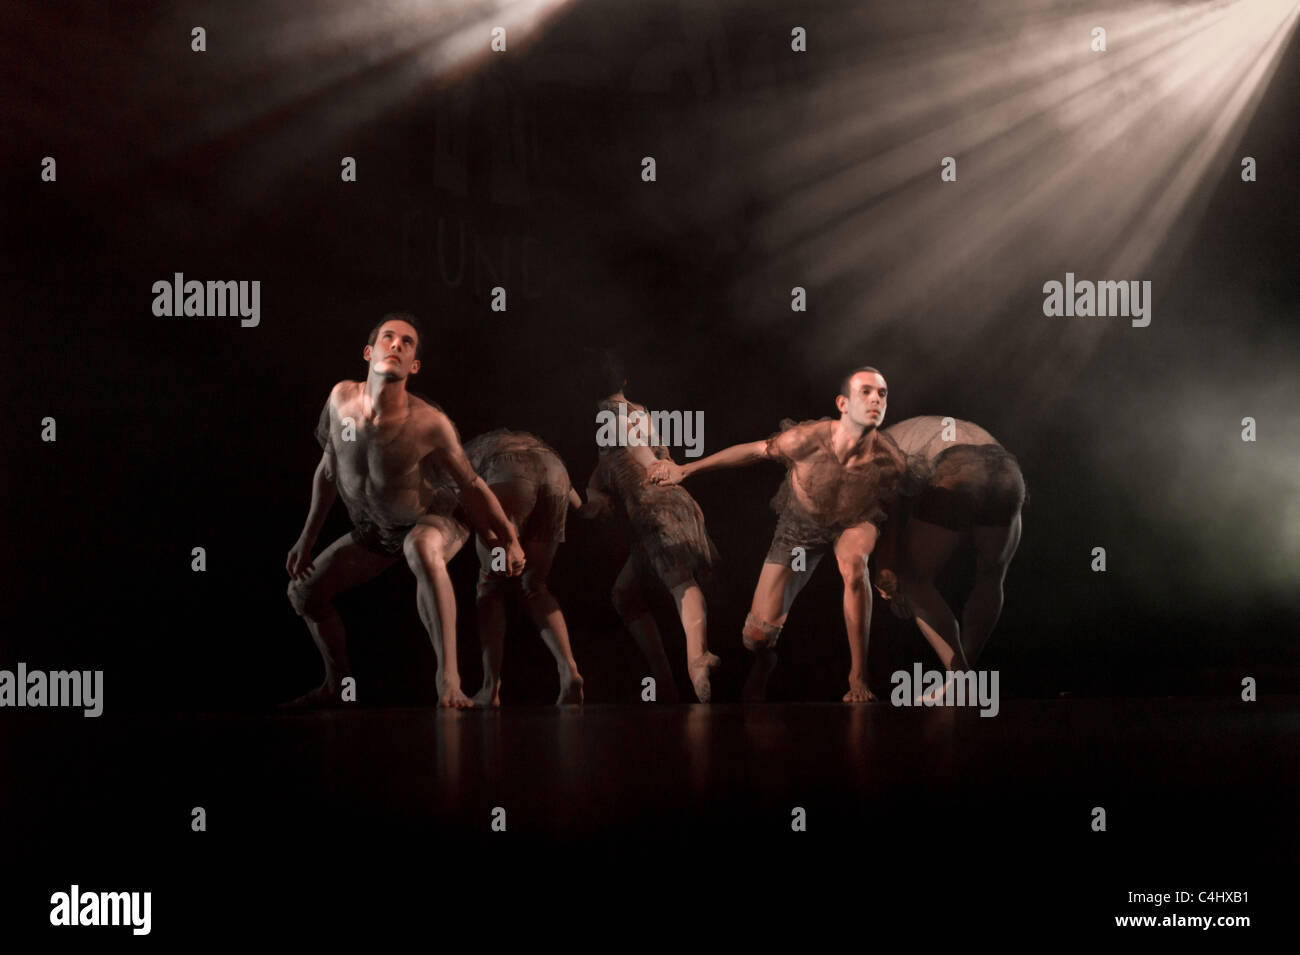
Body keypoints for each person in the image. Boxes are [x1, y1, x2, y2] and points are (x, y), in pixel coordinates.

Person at [285, 313, 525, 709]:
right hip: (376, 532)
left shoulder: (430, 424)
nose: (396, 345)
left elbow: (472, 485)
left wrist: (509, 538)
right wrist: (306, 538)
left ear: (414, 365)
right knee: (304, 595)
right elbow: (328, 470)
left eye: (407, 342)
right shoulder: (340, 399)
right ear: (369, 351)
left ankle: (448, 680)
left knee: (420, 546)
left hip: (436, 516)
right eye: (388, 338)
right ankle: (337, 684)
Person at [650, 367, 913, 703]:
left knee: (853, 566)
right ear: (843, 403)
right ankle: (764, 659)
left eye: (882, 393)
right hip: (800, 528)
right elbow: (754, 451)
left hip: (853, 521)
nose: (876, 399)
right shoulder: (807, 440)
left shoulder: (887, 459)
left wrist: (887, 565)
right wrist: (686, 469)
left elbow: (894, 507)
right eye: (866, 392)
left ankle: (857, 677)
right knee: (755, 637)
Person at [581, 352, 721, 702]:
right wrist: (592, 488)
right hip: (671, 501)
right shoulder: (638, 410)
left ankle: (697, 658)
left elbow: (634, 446)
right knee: (624, 594)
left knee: (680, 582)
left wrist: (652, 466)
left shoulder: (608, 413)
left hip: (654, 504)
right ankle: (668, 683)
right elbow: (612, 458)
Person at [876, 416, 1024, 678]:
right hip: (1008, 472)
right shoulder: (913, 432)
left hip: (960, 467)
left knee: (914, 581)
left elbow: (892, 510)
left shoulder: (874, 449)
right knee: (991, 576)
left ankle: (960, 677)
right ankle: (963, 675)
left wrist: (888, 569)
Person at [460, 429, 585, 706]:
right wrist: (590, 508)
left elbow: (469, 498)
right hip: (555, 472)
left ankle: (490, 688)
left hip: (507, 474)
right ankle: (569, 671)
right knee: (535, 586)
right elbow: (576, 500)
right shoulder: (531, 440)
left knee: (489, 586)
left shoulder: (460, 450)